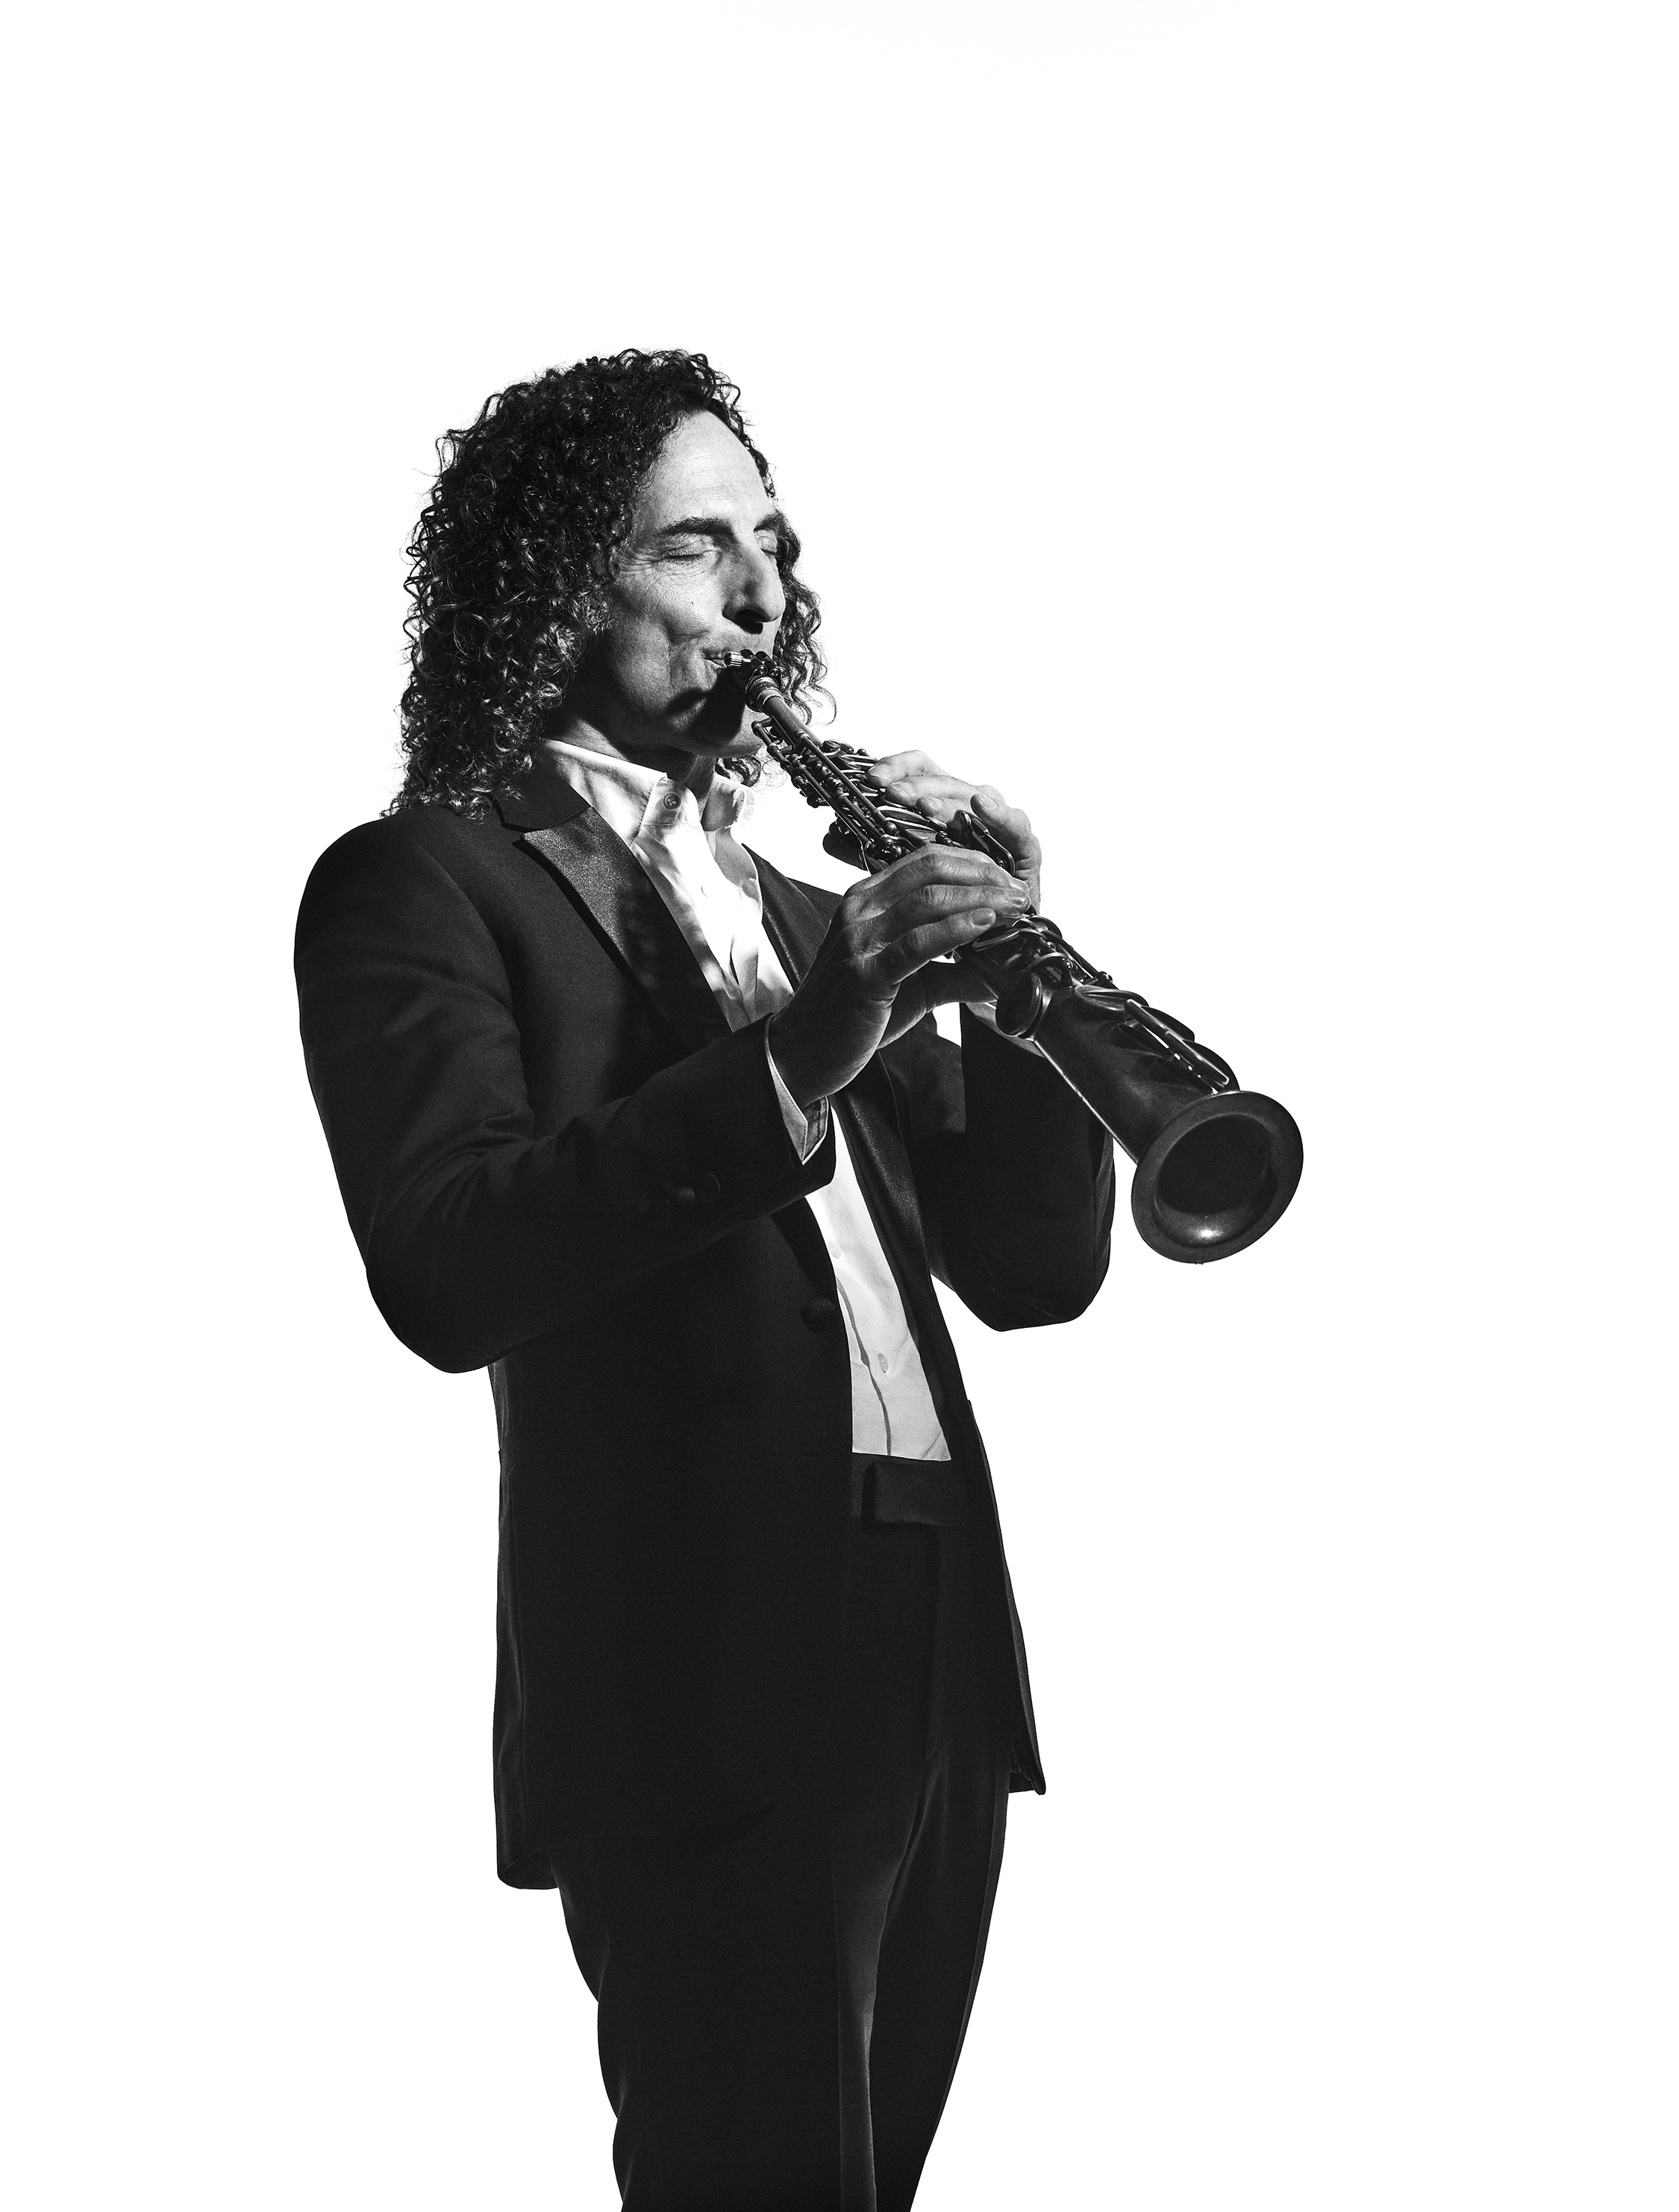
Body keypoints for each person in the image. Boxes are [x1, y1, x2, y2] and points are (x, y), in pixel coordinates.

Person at [294, 348, 1115, 2210]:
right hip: (702, 1651)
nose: (760, 594)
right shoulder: (424, 884)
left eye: (772, 543)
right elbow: (448, 1265)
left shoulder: (817, 918)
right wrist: (813, 1040)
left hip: (932, 1623)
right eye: (692, 545)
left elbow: (1034, 1268)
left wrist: (1020, 980)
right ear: (550, 587)